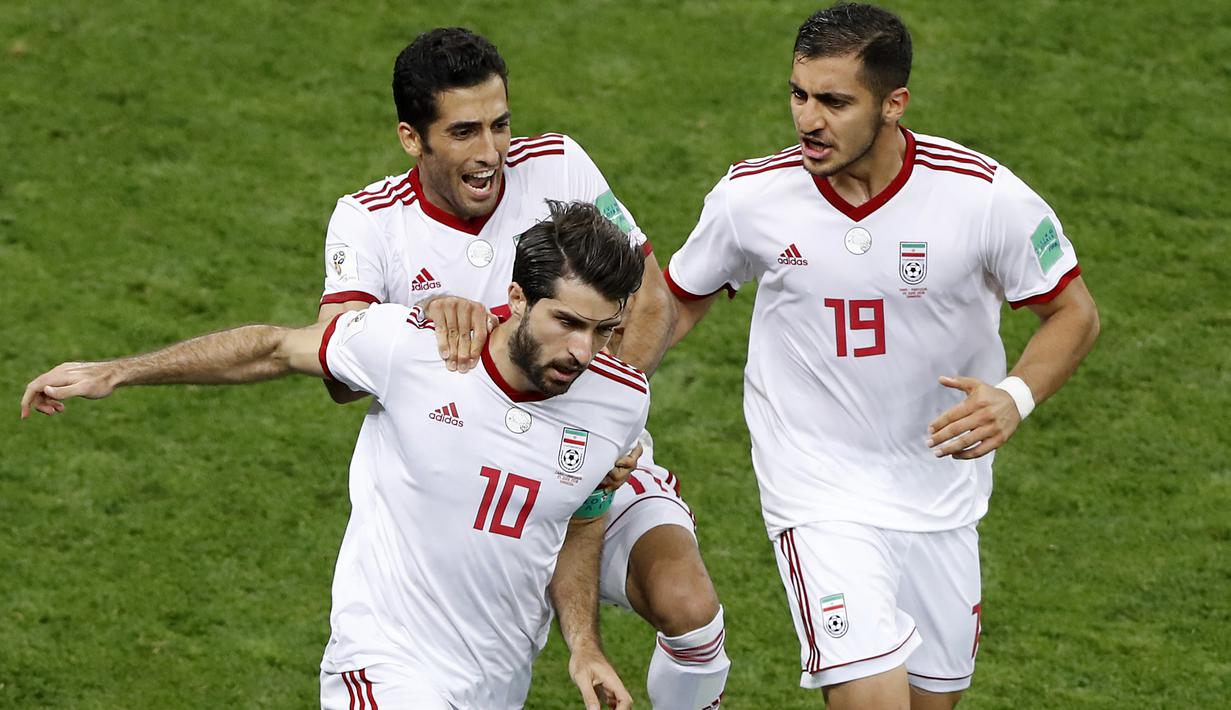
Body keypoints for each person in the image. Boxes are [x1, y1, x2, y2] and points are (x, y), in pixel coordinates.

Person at [23, 201, 651, 710]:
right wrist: (121, 372)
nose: (583, 349)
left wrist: (584, 644)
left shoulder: (619, 402)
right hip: (383, 668)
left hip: (497, 683)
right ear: (516, 299)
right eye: (566, 322)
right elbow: (273, 348)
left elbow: (582, 518)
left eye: (603, 330)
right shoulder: (410, 348)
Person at [662, 4, 1100, 709]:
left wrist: (1012, 396)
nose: (808, 120)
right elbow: (677, 299)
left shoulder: (982, 197)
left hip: (940, 499)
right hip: (817, 491)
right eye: (798, 94)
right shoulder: (751, 198)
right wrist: (604, 386)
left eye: (834, 102)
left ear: (893, 104)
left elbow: (1073, 311)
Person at [316, 28, 728, 708]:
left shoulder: (560, 165)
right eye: (464, 132)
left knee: (688, 604)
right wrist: (422, 314)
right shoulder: (369, 220)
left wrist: (600, 416)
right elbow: (334, 362)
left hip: (591, 453)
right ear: (410, 138)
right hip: (465, 465)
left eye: (501, 125)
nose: (490, 154)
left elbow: (648, 298)